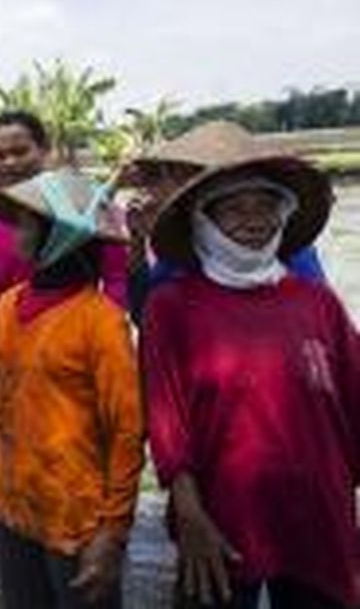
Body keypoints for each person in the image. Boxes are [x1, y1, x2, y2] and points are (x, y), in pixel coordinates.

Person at [142, 144, 359, 609]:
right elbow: (165, 418)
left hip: (318, 508)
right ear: (204, 220)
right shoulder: (172, 307)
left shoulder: (316, 302)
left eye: (265, 206)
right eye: (234, 209)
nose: (253, 219)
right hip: (220, 512)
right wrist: (188, 510)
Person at [0, 170, 144, 609]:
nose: (13, 232)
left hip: (75, 516)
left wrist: (112, 534)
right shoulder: (9, 305)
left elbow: (127, 432)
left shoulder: (101, 322)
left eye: (25, 223)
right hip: (11, 500)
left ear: (60, 234)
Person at [123, 120, 328, 322]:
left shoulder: (284, 244)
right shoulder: (179, 248)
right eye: (162, 176)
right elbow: (145, 315)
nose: (157, 190)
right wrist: (137, 244)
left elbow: (317, 317)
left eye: (175, 176)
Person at [0, 111, 128, 338]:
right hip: (12, 330)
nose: (10, 162)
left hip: (74, 333)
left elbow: (116, 278)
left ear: (44, 149)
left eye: (20, 151)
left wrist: (104, 330)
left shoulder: (84, 203)